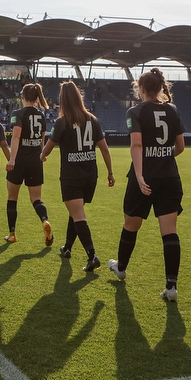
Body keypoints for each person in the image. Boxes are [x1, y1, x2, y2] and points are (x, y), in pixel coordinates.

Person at [108, 68, 186, 302]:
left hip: (144, 178)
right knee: (170, 232)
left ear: (140, 89)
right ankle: (171, 287)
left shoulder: (135, 111)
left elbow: (137, 146)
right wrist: (163, 155)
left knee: (131, 224)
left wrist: (141, 176)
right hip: (170, 177)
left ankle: (121, 268)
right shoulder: (172, 111)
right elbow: (180, 147)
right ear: (161, 88)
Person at [40, 80, 115, 272]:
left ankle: (92, 256)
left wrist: (41, 155)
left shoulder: (61, 122)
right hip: (90, 174)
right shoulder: (93, 119)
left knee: (78, 214)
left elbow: (47, 150)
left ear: (63, 100)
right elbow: (105, 150)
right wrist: (110, 172)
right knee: (76, 210)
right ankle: (67, 247)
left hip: (71, 175)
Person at [3, 84, 53, 246]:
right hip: (35, 160)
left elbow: (16, 137)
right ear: (37, 98)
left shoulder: (17, 113)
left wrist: (12, 159)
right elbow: (42, 139)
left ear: (22, 97)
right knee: (36, 198)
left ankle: (12, 234)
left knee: (12, 198)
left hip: (20, 160)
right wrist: (42, 154)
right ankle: (45, 221)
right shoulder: (41, 115)